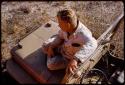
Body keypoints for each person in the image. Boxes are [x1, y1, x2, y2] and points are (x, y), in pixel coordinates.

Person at [42, 8, 97, 74]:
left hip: (68, 58)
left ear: (68, 24)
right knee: (44, 46)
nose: (58, 25)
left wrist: (75, 59)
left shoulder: (84, 35)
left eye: (60, 23)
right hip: (62, 47)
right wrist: (51, 47)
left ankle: (51, 56)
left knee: (50, 65)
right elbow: (60, 36)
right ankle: (51, 53)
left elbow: (93, 43)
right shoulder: (65, 28)